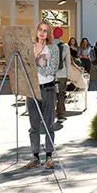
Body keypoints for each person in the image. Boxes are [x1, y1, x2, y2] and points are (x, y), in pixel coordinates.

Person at [28, 21, 59, 169]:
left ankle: (49, 157)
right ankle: (35, 157)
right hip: (32, 89)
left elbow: (51, 69)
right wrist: (36, 53)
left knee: (48, 125)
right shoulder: (30, 48)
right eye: (40, 29)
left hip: (48, 89)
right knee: (34, 125)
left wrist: (35, 66)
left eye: (45, 30)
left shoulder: (53, 49)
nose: (42, 32)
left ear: (49, 34)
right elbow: (25, 68)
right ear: (36, 31)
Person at [54, 27, 70, 120]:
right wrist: (68, 75)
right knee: (61, 94)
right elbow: (67, 62)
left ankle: (49, 115)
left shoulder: (48, 45)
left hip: (50, 74)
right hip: (62, 73)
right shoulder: (65, 46)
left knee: (50, 95)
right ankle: (60, 115)